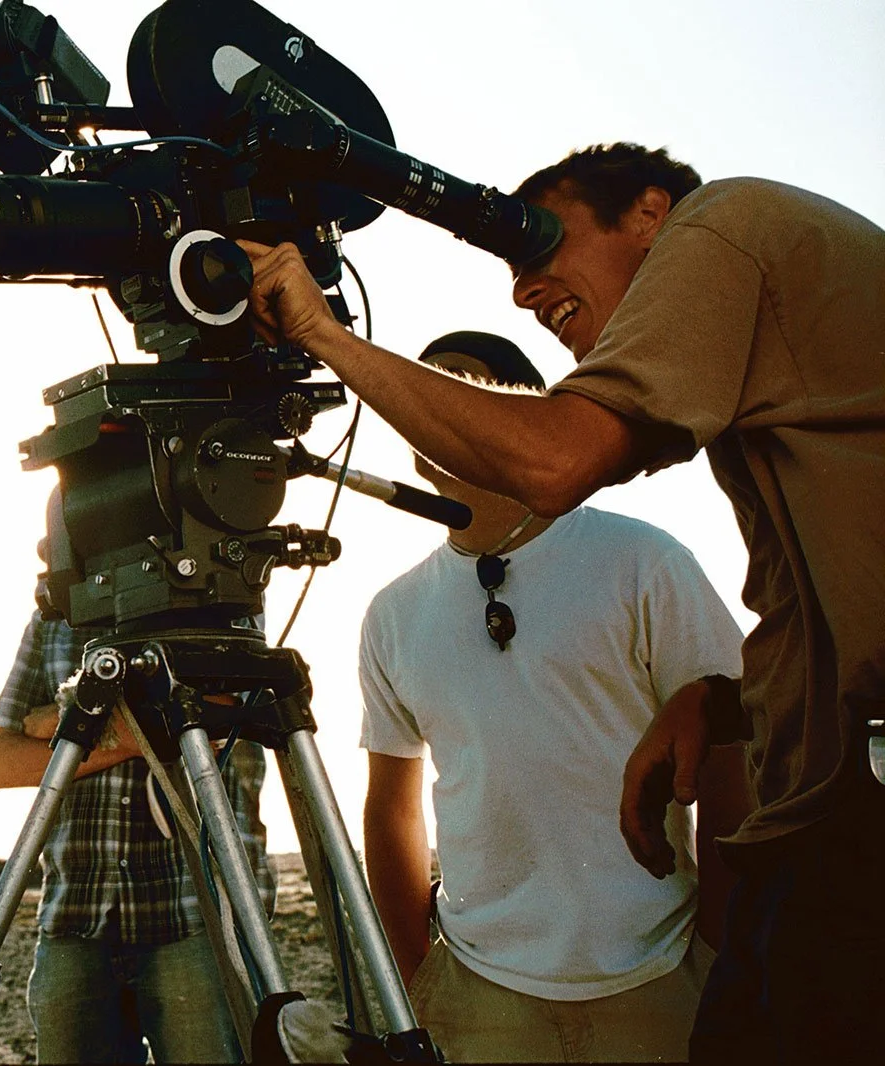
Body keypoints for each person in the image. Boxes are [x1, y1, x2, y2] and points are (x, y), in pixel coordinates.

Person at [243, 143, 883, 1062]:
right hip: (830, 808)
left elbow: (554, 458)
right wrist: (726, 701)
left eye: (542, 238)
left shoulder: (727, 224)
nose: (520, 291)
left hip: (844, 826)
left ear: (653, 215)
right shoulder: (761, 379)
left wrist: (326, 336)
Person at [359, 331, 749, 1062]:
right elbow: (391, 803)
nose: (433, 410)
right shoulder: (393, 610)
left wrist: (718, 945)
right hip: (480, 990)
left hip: (658, 973)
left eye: (460, 387)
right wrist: (422, 972)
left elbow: (731, 751)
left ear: (525, 414)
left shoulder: (644, 561)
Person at [0, 603, 274, 1064]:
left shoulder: (215, 593)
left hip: (198, 914)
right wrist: (138, 733)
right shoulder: (53, 617)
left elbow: (223, 709)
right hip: (75, 912)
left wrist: (68, 723)